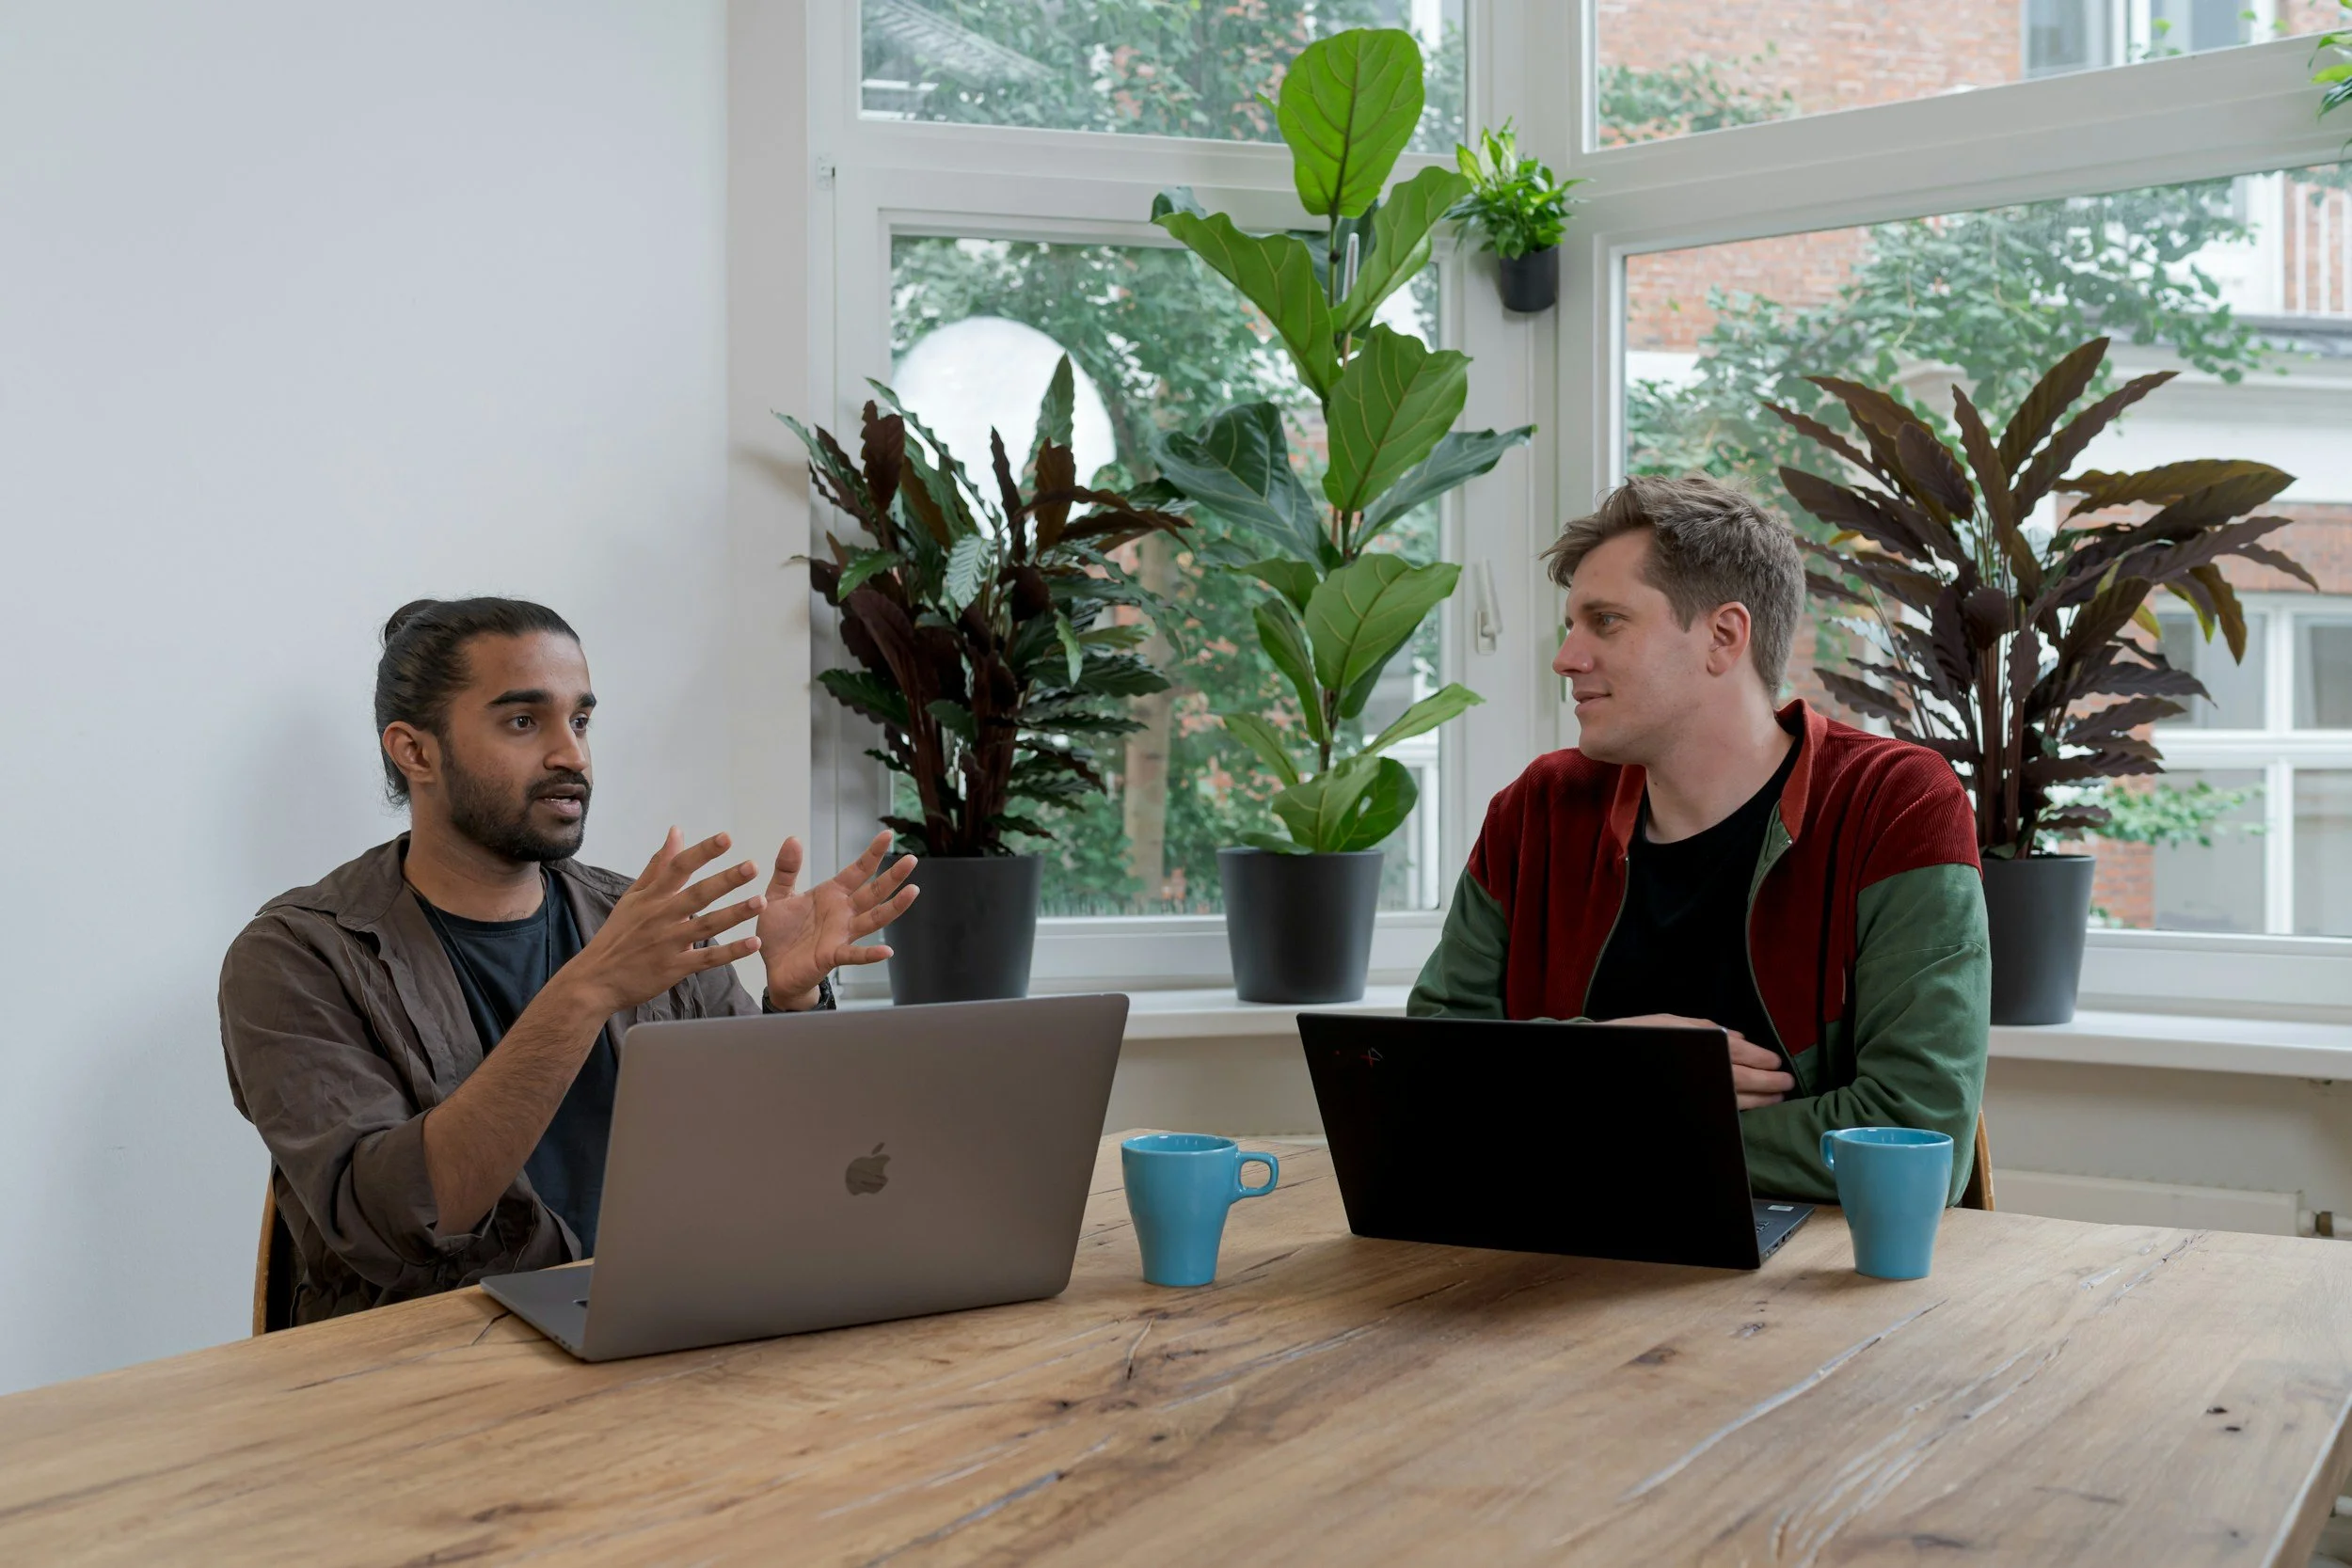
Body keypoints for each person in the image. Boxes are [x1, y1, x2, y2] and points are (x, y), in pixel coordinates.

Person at [220, 597, 918, 1323]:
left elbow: (768, 1161)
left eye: (580, 720)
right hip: (430, 1373)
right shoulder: (296, 956)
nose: (572, 754)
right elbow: (397, 1226)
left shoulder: (644, 920)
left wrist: (793, 1003)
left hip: (662, 1327)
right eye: (524, 721)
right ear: (415, 751)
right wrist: (587, 989)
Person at [1408, 477, 1989, 1204]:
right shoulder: (1539, 810)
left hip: (1819, 1286)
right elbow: (1427, 1071)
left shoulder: (1893, 803)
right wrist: (1612, 1069)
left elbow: (1914, 1132)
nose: (1565, 657)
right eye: (1571, 625)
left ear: (1723, 636)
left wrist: (1614, 1117)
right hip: (1553, 1263)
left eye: (1606, 621)